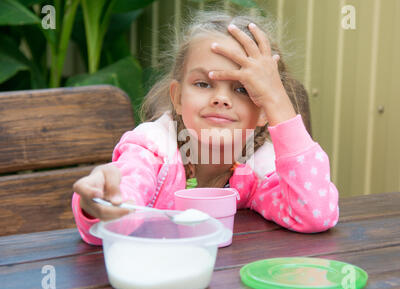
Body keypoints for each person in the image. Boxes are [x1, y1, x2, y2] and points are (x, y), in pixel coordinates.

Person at [72, 10, 339, 245]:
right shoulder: (152, 151)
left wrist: (277, 101)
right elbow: (117, 210)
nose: (221, 98)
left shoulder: (258, 168)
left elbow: (315, 213)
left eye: (242, 89)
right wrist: (103, 201)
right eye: (203, 84)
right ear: (177, 98)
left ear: (263, 112)